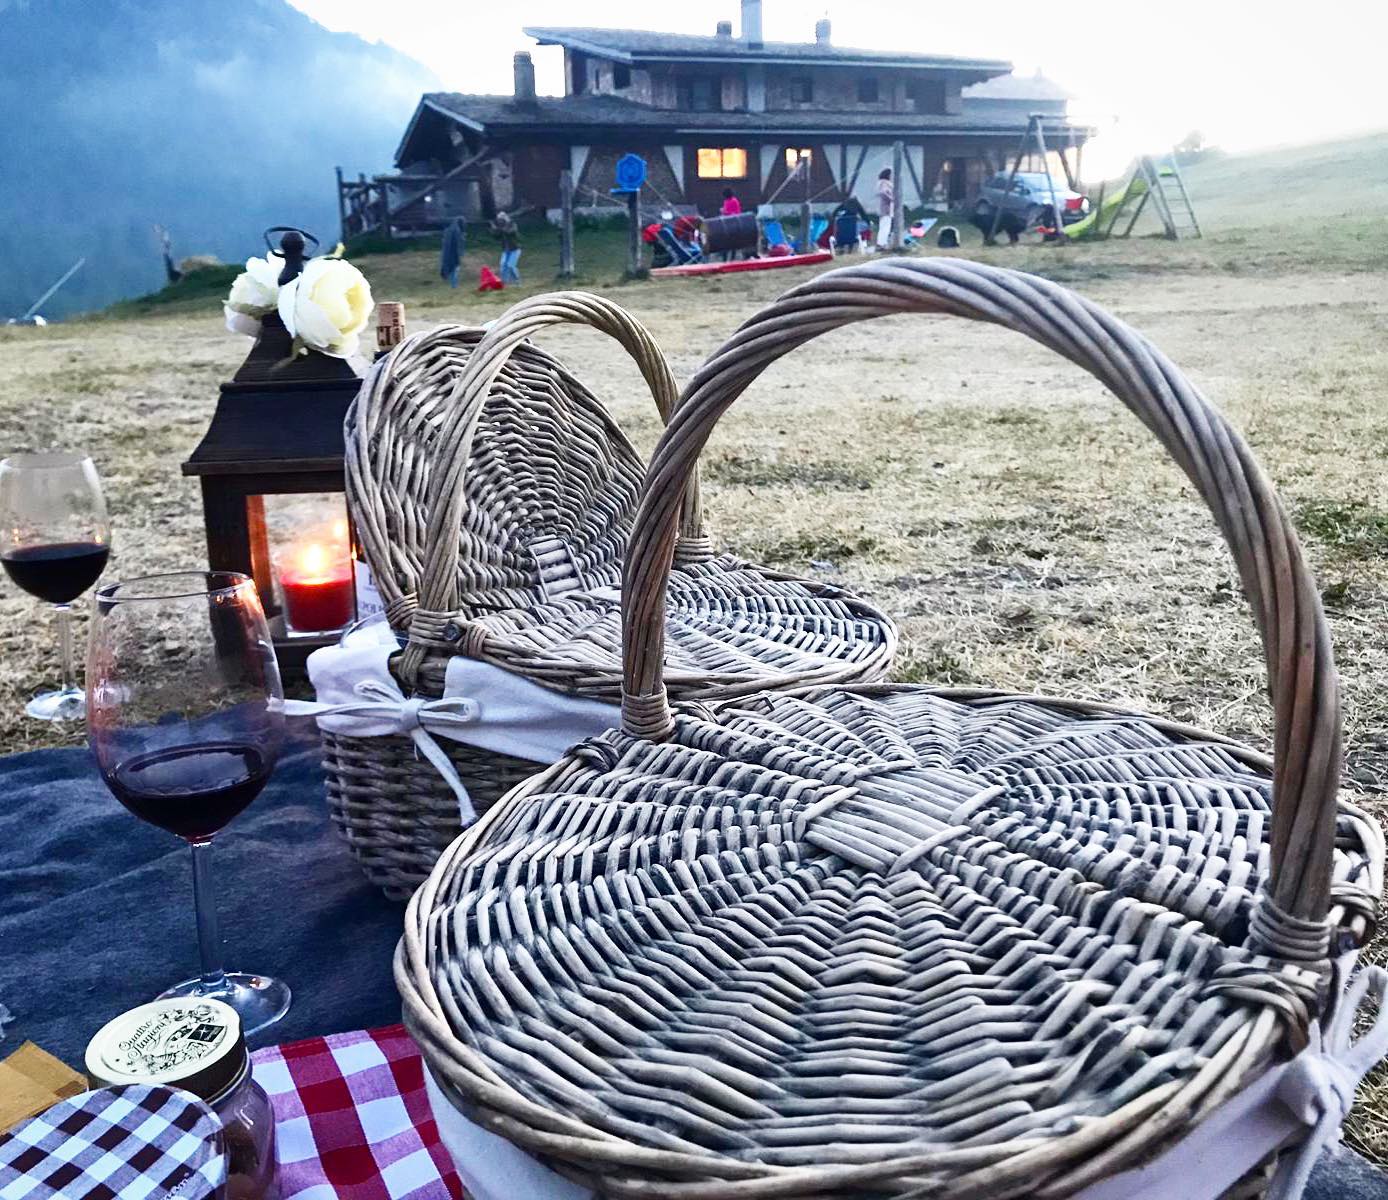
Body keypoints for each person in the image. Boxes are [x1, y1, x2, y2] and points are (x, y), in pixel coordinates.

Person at [492, 211, 521, 284]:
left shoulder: (512, 224)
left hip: (515, 249)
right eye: (499, 220)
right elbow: (496, 237)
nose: (499, 221)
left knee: (511, 265)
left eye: (501, 219)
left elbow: (510, 232)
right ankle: (504, 282)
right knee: (503, 265)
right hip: (505, 250)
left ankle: (516, 280)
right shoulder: (500, 227)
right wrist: (494, 230)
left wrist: (500, 229)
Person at [875, 168, 894, 249]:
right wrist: (891, 198)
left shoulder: (882, 182)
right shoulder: (884, 183)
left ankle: (882, 242)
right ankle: (882, 243)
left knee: (885, 225)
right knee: (885, 226)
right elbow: (883, 192)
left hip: (885, 207)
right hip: (886, 207)